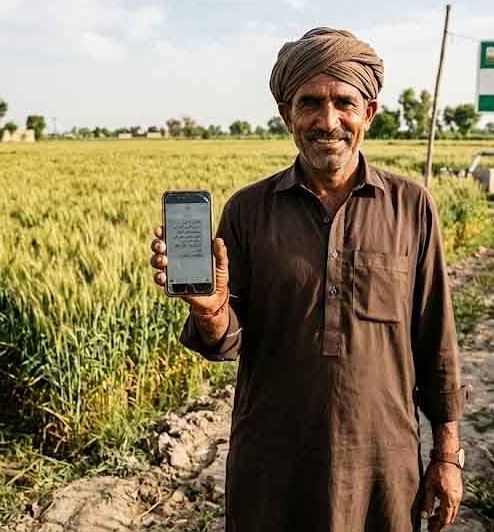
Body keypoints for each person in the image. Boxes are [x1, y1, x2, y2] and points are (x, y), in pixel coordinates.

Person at [148, 27, 467, 532]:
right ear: (287, 114)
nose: (328, 121)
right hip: (274, 463)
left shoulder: (411, 207)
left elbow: (437, 342)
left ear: (369, 113)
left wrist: (447, 456)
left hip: (382, 466)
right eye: (310, 103)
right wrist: (210, 309)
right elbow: (225, 341)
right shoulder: (248, 211)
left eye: (344, 103)